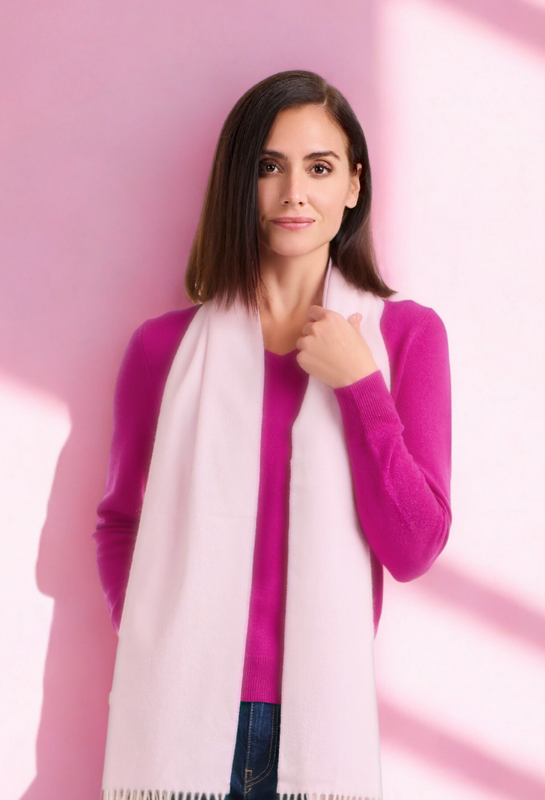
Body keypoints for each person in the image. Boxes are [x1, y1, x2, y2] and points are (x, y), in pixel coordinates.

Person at [93, 70, 452, 800]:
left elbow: (413, 548)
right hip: (176, 715)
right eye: (268, 166)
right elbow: (120, 521)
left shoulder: (403, 338)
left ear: (353, 185)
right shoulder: (162, 349)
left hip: (321, 726)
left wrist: (360, 388)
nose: (294, 191)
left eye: (319, 168)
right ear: (240, 184)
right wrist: (155, 642)